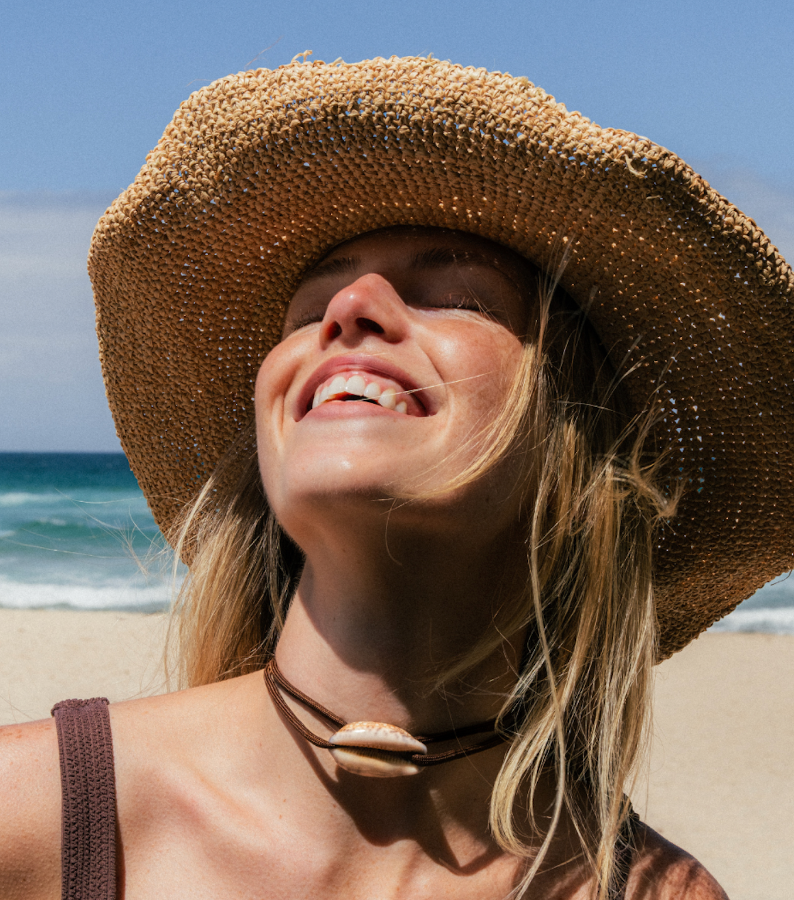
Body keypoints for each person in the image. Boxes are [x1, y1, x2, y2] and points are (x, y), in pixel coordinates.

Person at [2, 54, 791, 900]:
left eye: (458, 297)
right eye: (309, 313)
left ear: (585, 436)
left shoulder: (648, 893)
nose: (352, 308)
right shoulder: (34, 812)